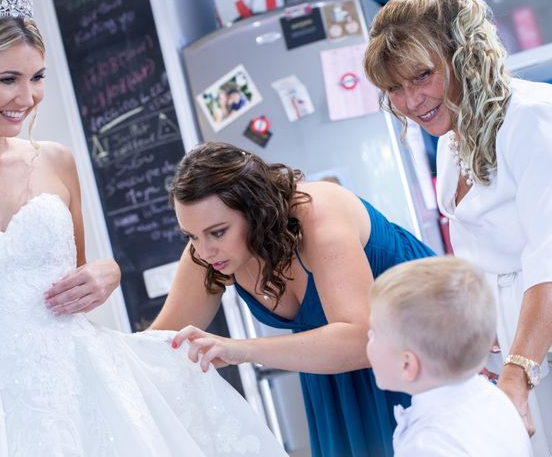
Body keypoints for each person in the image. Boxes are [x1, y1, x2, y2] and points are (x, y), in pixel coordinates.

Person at [0, 0, 288, 456]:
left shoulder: (56, 161)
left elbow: (78, 283)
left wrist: (107, 272)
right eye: (8, 79)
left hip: (84, 384)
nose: (28, 97)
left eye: (37, 77)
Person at [151, 141, 435, 457]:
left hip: (419, 349)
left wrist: (240, 349)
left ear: (256, 211)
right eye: (190, 236)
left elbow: (361, 339)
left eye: (218, 232)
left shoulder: (318, 214)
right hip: (334, 377)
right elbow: (157, 344)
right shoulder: (207, 252)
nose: (202, 251)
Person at [363, 0, 552, 454]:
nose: (410, 101)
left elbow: (549, 260)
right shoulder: (452, 139)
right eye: (394, 88)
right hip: (512, 341)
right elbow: (474, 249)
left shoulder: (532, 119)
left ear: (463, 55)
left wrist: (518, 374)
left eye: (422, 76)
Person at [367, 256, 533, 456]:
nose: (368, 336)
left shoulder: (426, 446)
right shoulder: (496, 400)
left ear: (407, 365)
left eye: (374, 332)